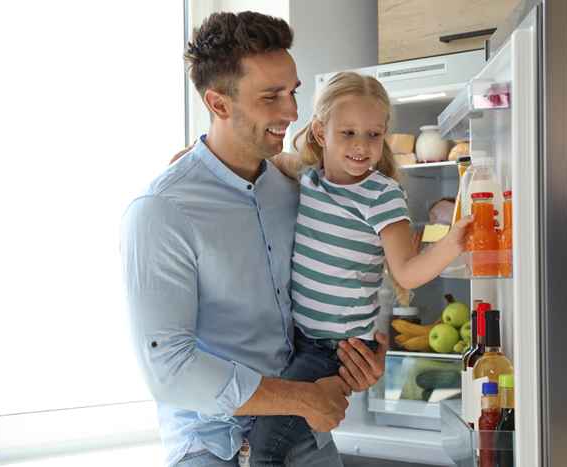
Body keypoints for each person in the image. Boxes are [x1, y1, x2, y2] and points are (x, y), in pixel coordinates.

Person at [120, 11, 387, 467]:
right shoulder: (162, 210)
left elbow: (331, 292)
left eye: (293, 92)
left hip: (305, 435)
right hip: (213, 447)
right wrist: (300, 398)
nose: (292, 112)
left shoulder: (296, 192)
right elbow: (169, 370)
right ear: (219, 103)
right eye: (271, 97)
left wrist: (359, 355)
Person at [245, 71, 472, 466]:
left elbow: (406, 272)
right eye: (348, 133)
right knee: (285, 439)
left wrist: (452, 243)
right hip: (300, 338)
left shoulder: (382, 195)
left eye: (373, 134)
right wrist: (196, 158)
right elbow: (263, 159)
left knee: (266, 444)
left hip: (338, 348)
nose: (361, 146)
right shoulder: (308, 177)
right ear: (320, 131)